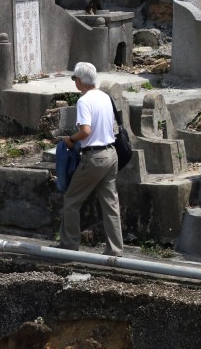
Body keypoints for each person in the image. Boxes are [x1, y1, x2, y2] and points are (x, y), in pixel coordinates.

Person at [58, 62, 124, 257]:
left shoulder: (84, 101)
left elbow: (85, 131)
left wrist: (70, 139)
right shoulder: (105, 97)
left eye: (74, 79)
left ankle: (69, 246)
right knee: (110, 203)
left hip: (95, 157)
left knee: (71, 199)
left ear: (79, 80)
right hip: (111, 153)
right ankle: (115, 249)